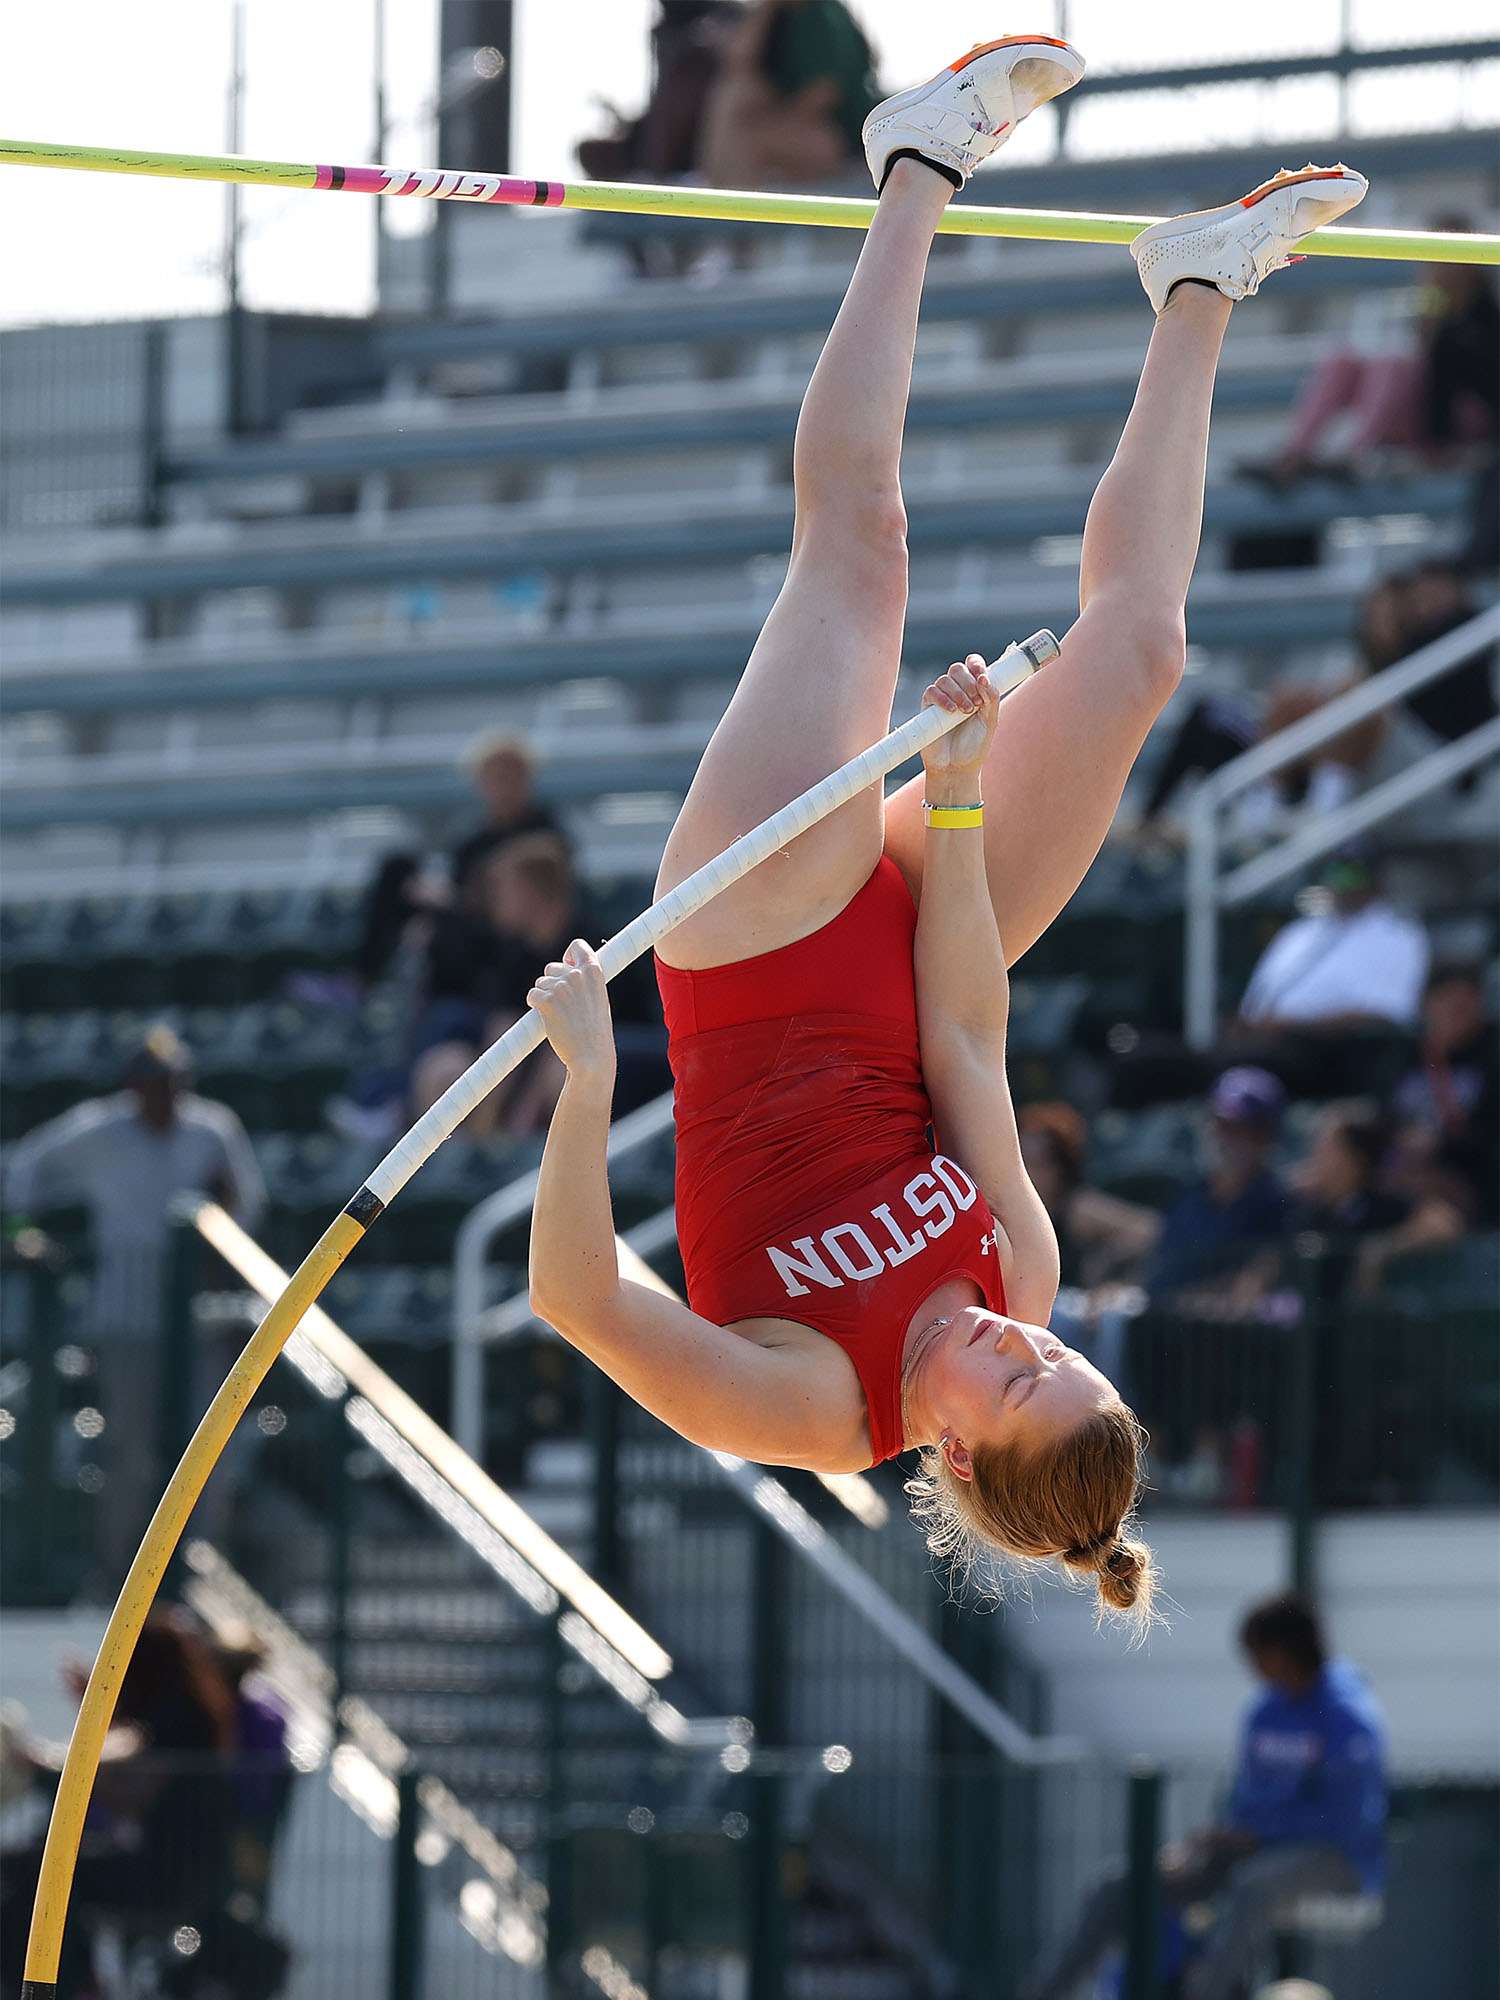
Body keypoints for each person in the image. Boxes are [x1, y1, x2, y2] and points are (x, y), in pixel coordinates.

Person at [522, 30, 1368, 1619]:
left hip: (751, 950)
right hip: (916, 946)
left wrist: (587, 1084)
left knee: (862, 551)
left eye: (1015, 1379)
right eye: (1057, 1357)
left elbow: (575, 1295)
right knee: (1138, 656)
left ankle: (916, 161)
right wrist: (963, 794)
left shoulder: (813, 1411)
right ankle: (1201, 288)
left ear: (959, 1461)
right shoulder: (1022, 1277)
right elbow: (967, 1044)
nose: (1023, 1336)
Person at [1021, 1591, 1387, 2000]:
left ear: (1285, 1651)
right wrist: (1212, 1845)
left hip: (1335, 1861)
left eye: (1258, 1654)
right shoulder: (1265, 1711)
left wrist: (1257, 1838)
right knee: (1122, 1885)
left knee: (1253, 1887)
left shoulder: (1348, 1716)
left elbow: (1343, 1822)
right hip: (1250, 1853)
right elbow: (1245, 1803)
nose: (1253, 1666)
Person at [1, 1028, 266, 1589]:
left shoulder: (211, 1128)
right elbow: (25, 1164)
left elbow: (249, 1204)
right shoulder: (100, 1128)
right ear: (132, 1085)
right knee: (128, 1453)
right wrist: (22, 1232)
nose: (165, 1095)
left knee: (208, 1447)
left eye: (174, 1083)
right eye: (154, 1084)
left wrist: (218, 1241)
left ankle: (204, 1584)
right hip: (124, 1322)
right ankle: (115, 1581)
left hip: (198, 1320)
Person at [1143, 1068, 1294, 1313]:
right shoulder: (1189, 1194)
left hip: (1224, 1338)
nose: (1220, 1136)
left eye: (1237, 1128)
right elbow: (1156, 1263)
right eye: (1218, 1123)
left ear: (1265, 1137)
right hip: (1161, 1328)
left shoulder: (1280, 1205)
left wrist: (1173, 1303)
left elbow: (1252, 1286)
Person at [1289, 1099, 1463, 1301]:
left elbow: (1445, 1223)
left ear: (1355, 1160)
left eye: (1326, 1149)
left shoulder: (1378, 1204)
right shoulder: (1309, 1209)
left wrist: (1382, 1249)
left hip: (1363, 1327)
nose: (1315, 1157)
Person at [698, 0, 882, 190]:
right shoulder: (781, 17)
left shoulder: (821, 15)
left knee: (749, 140)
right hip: (807, 128)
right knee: (734, 90)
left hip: (842, 137)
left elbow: (824, 93)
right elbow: (737, 62)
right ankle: (722, 189)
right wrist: (765, 10)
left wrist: (768, 122)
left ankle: (734, 205)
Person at [1387, 963, 1500, 1225]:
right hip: (1404, 1169)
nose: (1458, 1013)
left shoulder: (1492, 1055)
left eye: (1467, 1005)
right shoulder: (1404, 1057)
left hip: (1471, 1179)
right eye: (1449, 1004)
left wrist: (1441, 1143)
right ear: (1428, 1004)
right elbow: (1384, 1117)